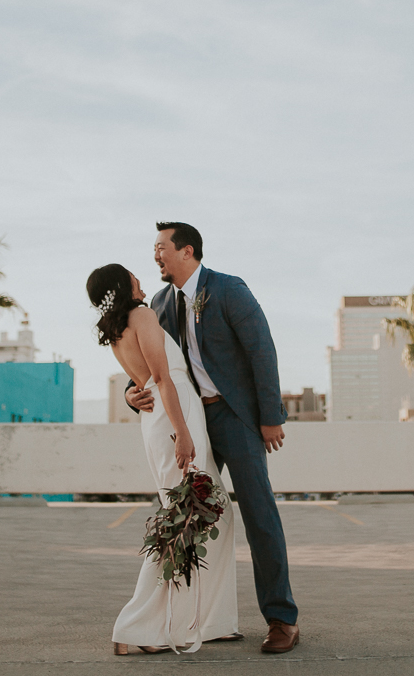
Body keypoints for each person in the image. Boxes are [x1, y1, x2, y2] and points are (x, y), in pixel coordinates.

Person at [124, 222, 300, 655]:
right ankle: (173, 621)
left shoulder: (228, 289)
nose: (155, 256)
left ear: (187, 251)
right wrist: (132, 395)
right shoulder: (160, 304)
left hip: (235, 416)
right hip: (189, 421)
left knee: (259, 513)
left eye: (161, 247)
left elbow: (262, 349)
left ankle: (282, 619)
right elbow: (151, 364)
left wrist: (270, 416)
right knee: (181, 516)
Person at [87, 263, 239, 655]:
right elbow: (162, 379)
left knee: (208, 514)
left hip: (159, 419)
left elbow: (142, 384)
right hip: (176, 417)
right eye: (132, 276)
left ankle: (208, 620)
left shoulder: (116, 327)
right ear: (123, 286)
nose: (140, 279)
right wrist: (184, 434)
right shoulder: (142, 314)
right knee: (184, 522)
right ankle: (136, 625)